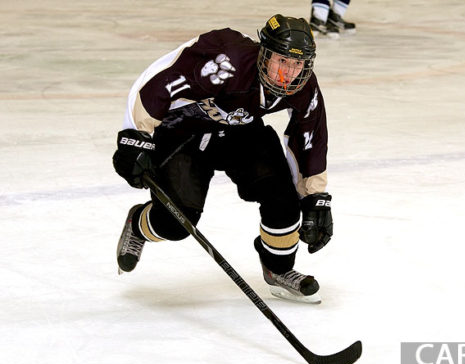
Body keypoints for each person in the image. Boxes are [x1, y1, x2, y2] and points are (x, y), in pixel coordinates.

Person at [112, 15, 333, 304]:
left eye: (297, 64)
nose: (288, 74)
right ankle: (138, 223)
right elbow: (157, 84)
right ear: (264, 54)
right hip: (183, 133)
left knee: (284, 199)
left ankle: (278, 270)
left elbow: (309, 138)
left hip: (239, 131)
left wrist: (315, 196)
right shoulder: (226, 61)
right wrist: (135, 136)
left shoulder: (303, 85)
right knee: (176, 223)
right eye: (282, 61)